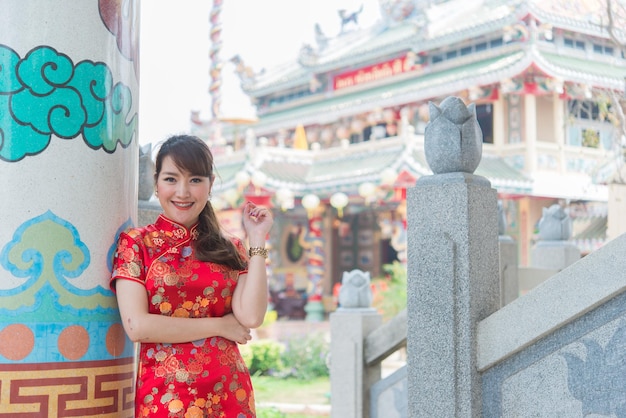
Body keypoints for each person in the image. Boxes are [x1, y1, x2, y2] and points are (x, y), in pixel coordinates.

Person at [110, 134, 273, 417]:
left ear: (210, 184)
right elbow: (138, 326)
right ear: (156, 182)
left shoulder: (229, 247)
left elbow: (251, 317)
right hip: (166, 398)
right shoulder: (137, 244)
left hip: (229, 393)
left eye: (195, 180)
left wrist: (256, 240)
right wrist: (220, 327)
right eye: (171, 179)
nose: (183, 192)